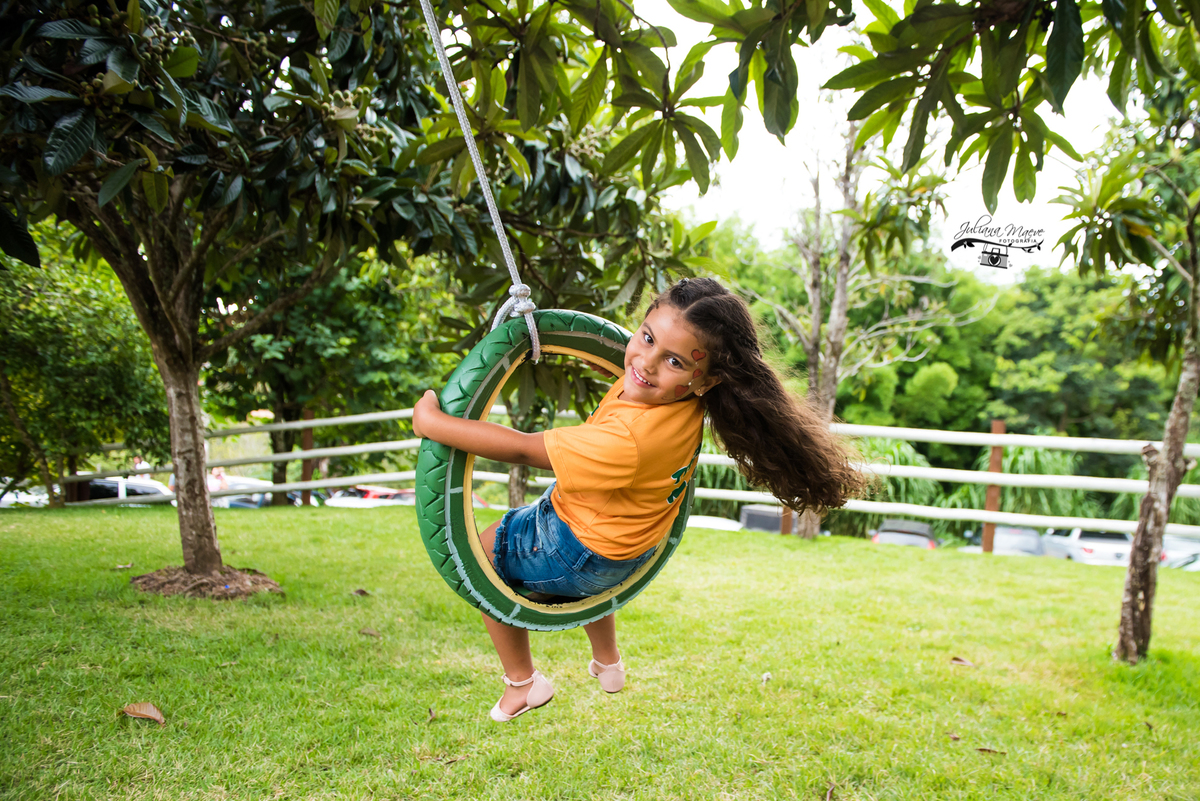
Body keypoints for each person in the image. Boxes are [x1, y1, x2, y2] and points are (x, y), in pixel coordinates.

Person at [412, 277, 868, 721]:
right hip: (630, 550)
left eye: (673, 361)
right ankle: (607, 661)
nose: (646, 364)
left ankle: (522, 683)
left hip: (578, 550)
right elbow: (638, 367)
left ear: (705, 379)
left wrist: (432, 424)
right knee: (594, 517)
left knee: (490, 553)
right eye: (646, 338)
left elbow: (520, 448)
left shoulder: (627, 441)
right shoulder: (687, 402)